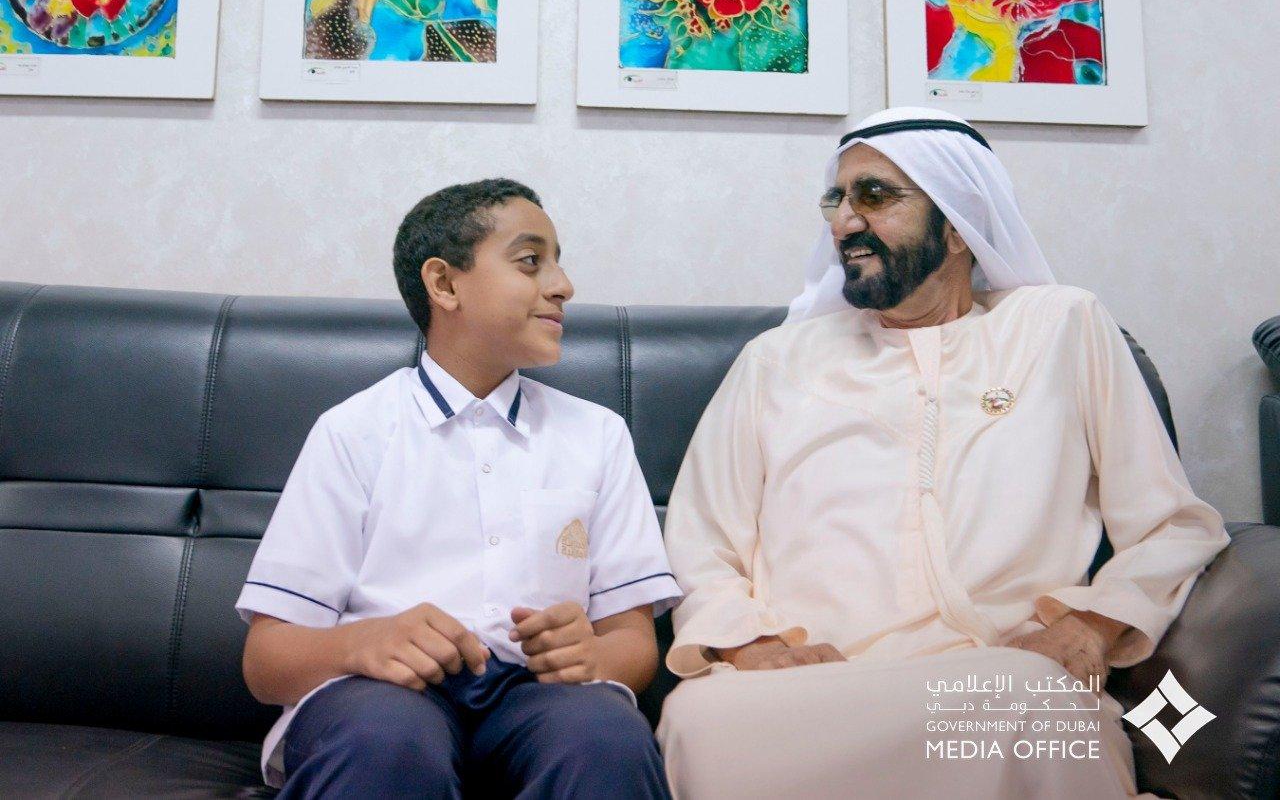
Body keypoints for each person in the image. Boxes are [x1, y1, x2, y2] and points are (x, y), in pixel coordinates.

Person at [656, 107, 1230, 799]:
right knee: (700, 718)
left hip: (994, 675)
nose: (844, 221)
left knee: (1031, 696)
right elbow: (701, 541)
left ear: (958, 223)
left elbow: (1170, 524)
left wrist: (1091, 626)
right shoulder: (777, 360)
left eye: (874, 196)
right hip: (809, 688)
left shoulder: (1059, 328)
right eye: (836, 199)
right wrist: (753, 645)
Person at [235, 178, 680, 798]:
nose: (563, 285)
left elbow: (632, 641)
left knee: (603, 737)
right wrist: (362, 642)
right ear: (444, 284)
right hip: (385, 695)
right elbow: (266, 662)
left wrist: (595, 659)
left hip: (542, 699)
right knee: (384, 741)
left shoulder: (597, 435)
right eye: (531, 261)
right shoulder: (353, 432)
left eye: (558, 261)